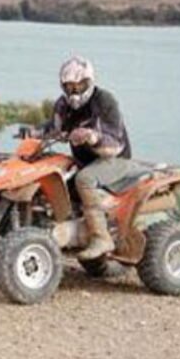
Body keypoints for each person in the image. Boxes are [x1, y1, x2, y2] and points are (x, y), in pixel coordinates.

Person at [45, 55, 134, 260]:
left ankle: (101, 237)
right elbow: (54, 128)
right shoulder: (63, 105)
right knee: (57, 172)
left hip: (115, 159)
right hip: (86, 162)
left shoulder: (104, 101)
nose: (74, 92)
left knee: (84, 179)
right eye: (69, 87)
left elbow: (115, 143)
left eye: (79, 86)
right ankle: (67, 226)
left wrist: (92, 137)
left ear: (89, 82)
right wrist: (32, 132)